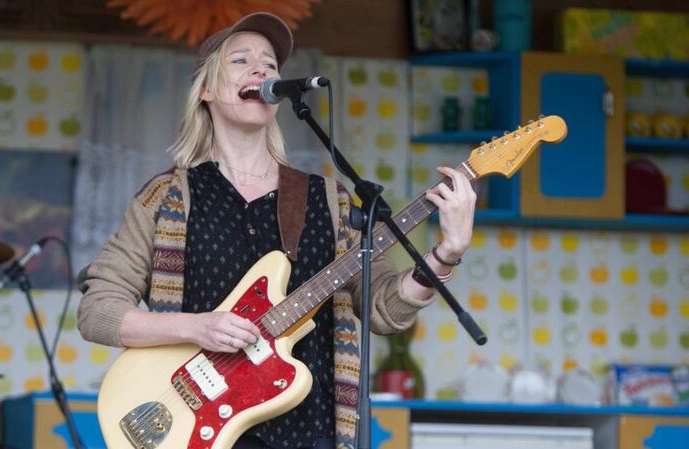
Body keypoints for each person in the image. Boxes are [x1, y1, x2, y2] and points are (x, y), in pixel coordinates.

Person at [77, 12, 476, 449]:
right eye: (241, 61)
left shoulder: (328, 200)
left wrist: (446, 253)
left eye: (270, 65)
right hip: (197, 430)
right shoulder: (168, 197)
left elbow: (383, 310)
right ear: (207, 89)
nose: (261, 70)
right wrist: (196, 327)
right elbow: (98, 311)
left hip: (309, 432)